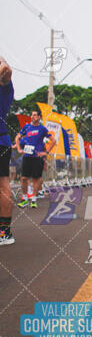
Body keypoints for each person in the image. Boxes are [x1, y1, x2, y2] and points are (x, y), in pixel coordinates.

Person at [15, 109, 56, 209]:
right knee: (24, 178)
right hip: (27, 156)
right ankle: (24, 198)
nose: (32, 117)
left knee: (36, 179)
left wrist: (45, 152)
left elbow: (53, 141)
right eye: (31, 115)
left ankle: (33, 199)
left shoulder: (42, 129)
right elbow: (17, 138)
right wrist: (19, 149)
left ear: (39, 117)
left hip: (37, 157)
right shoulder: (27, 127)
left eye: (34, 115)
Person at [0, 57, 15, 245]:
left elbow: (6, 68)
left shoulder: (4, 85)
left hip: (1, 141)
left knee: (2, 184)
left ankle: (4, 232)